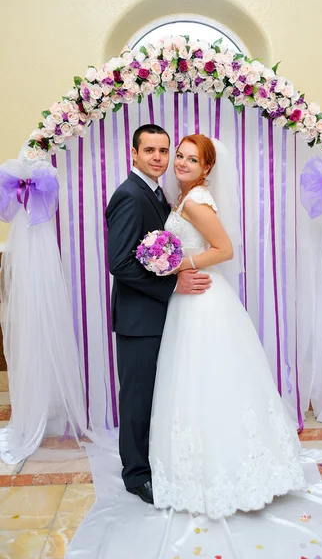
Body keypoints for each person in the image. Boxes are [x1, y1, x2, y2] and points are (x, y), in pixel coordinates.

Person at [149, 134, 306, 520]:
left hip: (203, 298)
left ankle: (230, 471)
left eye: (192, 159)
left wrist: (177, 265)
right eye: (180, 156)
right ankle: (200, 467)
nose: (182, 163)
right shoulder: (185, 198)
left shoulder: (197, 201)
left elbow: (224, 250)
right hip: (190, 299)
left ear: (207, 169)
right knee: (196, 381)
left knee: (210, 380)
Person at [106, 124, 212, 505]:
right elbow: (119, 263)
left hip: (156, 315)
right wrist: (173, 285)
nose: (158, 157)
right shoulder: (129, 195)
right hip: (138, 318)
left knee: (153, 394)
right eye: (149, 150)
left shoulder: (158, 193)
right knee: (136, 396)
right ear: (133, 153)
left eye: (163, 151)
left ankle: (151, 460)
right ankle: (135, 474)